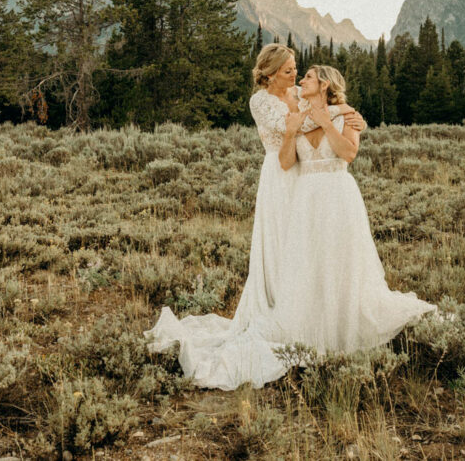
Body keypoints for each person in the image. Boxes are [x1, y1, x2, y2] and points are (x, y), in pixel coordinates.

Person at [145, 44, 364, 390]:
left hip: (308, 179)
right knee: (280, 246)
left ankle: (311, 309)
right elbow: (298, 125)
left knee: (309, 247)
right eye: (289, 70)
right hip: (280, 177)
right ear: (271, 73)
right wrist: (341, 115)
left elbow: (321, 112)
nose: (295, 75)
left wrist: (349, 115)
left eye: (296, 69)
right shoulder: (260, 101)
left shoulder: (298, 92)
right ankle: (279, 312)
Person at [276, 65, 435, 353]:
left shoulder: (347, 115)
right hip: (306, 197)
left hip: (338, 194)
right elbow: (286, 163)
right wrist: (289, 135)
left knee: (341, 258)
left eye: (308, 77)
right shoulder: (298, 117)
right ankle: (311, 328)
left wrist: (326, 122)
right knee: (310, 259)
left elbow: (349, 153)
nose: (301, 81)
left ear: (324, 84)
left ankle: (344, 326)